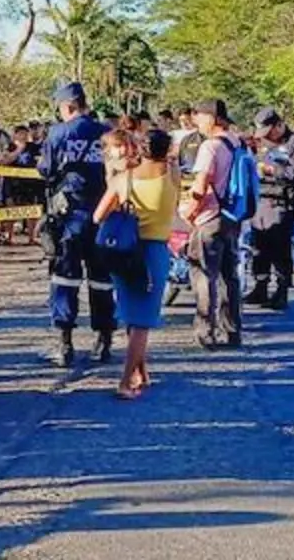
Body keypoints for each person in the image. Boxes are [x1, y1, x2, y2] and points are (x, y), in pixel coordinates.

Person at [93, 129, 179, 400]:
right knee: (142, 320)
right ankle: (126, 380)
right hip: (154, 250)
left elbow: (98, 216)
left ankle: (141, 371)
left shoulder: (123, 179)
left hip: (124, 250)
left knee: (132, 310)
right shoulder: (171, 176)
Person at [38, 82, 116, 367]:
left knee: (64, 279)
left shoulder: (58, 133)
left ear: (67, 106)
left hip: (69, 217)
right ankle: (103, 342)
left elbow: (46, 170)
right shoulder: (106, 132)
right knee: (102, 280)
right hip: (104, 214)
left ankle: (64, 345)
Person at [181, 99, 243, 349]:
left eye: (200, 116)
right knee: (230, 275)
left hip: (209, 218)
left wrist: (190, 211)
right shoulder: (236, 142)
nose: (197, 121)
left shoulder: (210, 147)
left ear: (212, 118)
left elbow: (201, 183)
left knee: (204, 274)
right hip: (231, 216)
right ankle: (232, 330)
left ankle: (205, 330)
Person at [246, 108, 294, 311]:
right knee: (258, 246)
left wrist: (274, 170)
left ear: (279, 125)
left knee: (280, 247)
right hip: (259, 200)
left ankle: (282, 290)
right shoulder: (259, 142)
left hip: (280, 202)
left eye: (269, 132)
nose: (267, 137)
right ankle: (260, 287)